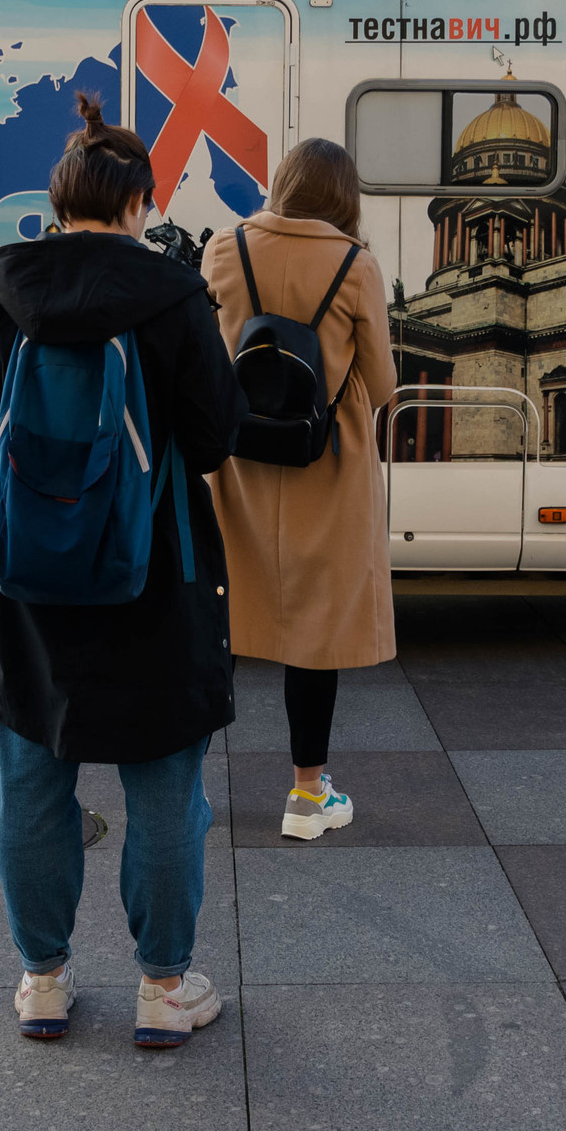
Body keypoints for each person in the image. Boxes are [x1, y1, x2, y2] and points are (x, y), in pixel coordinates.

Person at [0, 94, 245, 1050]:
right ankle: (164, 987)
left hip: (33, 581)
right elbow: (211, 436)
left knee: (33, 780)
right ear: (139, 203)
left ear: (58, 197)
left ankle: (43, 978)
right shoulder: (174, 293)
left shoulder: (5, 288)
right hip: (155, 577)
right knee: (164, 789)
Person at [203, 140, 398, 842]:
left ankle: (184, 791)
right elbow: (381, 387)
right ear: (345, 195)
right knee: (314, 635)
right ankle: (307, 796)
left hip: (239, 462)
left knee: (221, 623)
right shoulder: (357, 264)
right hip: (328, 464)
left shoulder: (225, 248)